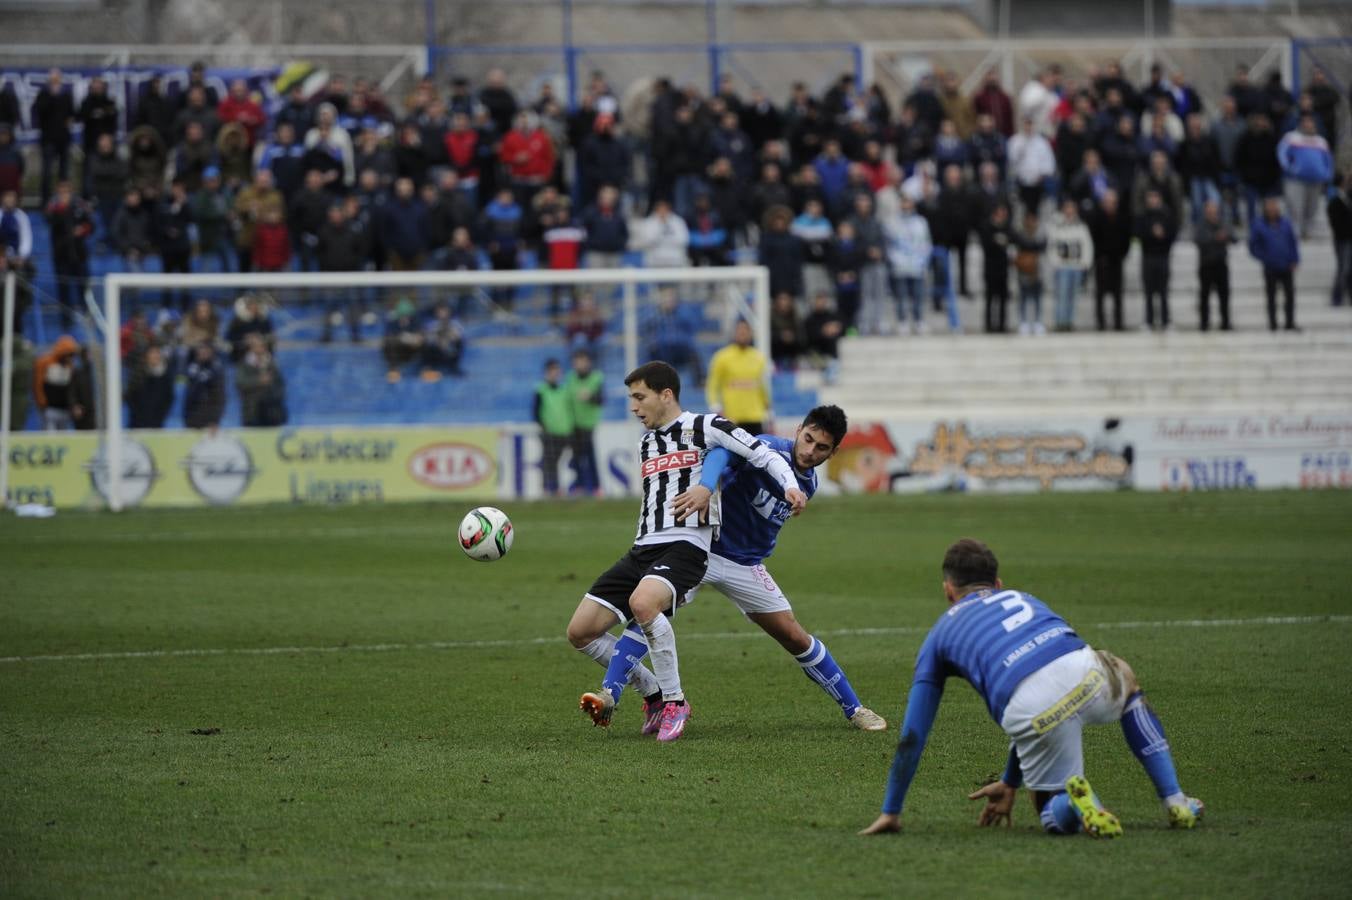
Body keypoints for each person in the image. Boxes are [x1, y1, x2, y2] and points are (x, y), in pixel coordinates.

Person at [859, 538, 1204, 839]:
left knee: (1048, 809)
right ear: (997, 583)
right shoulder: (1023, 598)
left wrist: (892, 810)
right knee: (1124, 678)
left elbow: (913, 736)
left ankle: (1073, 804)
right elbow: (1051, 669)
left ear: (948, 590)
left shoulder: (938, 636)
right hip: (1084, 671)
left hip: (1032, 709)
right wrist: (1009, 780)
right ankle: (1175, 801)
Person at [583, 405, 886, 733]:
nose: (810, 450)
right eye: (808, 439)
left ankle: (854, 708)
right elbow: (721, 453)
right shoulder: (768, 449)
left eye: (821, 447)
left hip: (746, 565)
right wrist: (707, 485)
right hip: (702, 550)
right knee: (649, 607)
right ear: (798, 429)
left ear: (834, 451)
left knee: (794, 635)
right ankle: (613, 692)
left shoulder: (808, 482)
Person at [567, 361, 807, 742]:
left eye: (639, 397)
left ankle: (676, 703)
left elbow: (763, 453)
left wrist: (791, 486)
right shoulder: (646, 442)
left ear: (666, 395)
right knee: (580, 632)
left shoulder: (707, 426)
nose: (634, 406)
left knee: (645, 604)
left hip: (687, 547)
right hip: (643, 547)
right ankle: (654, 693)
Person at [706, 319, 771, 434]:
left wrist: (768, 411)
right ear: (734, 333)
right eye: (740, 330)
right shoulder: (722, 357)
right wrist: (716, 407)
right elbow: (712, 385)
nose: (743, 333)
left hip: (755, 418)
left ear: (751, 333)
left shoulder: (758, 357)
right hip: (733, 418)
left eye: (746, 330)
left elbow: (762, 387)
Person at [1277, 114, 1333, 240]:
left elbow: (1328, 159)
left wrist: (1327, 173)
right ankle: (1295, 232)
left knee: (1312, 207)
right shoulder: (1291, 137)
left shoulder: (1321, 141)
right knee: (1295, 206)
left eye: (1311, 122)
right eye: (1306, 122)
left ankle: (1307, 230)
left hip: (1316, 179)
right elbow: (1281, 154)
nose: (1308, 125)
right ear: (1301, 123)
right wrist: (1290, 168)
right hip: (1295, 180)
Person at [1248, 196, 1300, 332]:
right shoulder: (1259, 225)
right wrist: (1265, 257)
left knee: (1290, 296)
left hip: (1286, 265)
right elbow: (1253, 246)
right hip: (1270, 267)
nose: (1272, 210)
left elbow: (1292, 242)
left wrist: (1295, 259)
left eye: (1274, 207)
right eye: (1270, 207)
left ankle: (1289, 322)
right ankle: (1273, 324)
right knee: (1271, 296)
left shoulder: (1286, 223)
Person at [884, 193, 932, 335]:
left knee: (918, 295)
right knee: (901, 295)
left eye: (909, 203)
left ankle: (918, 321)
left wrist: (923, 259)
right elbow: (889, 244)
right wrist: (895, 259)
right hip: (899, 263)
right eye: (904, 203)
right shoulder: (892, 222)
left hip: (917, 264)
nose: (906, 206)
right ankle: (902, 321)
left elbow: (926, 242)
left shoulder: (921, 222)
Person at [1087, 189, 1130, 332]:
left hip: (1117, 260)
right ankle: (1101, 324)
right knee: (1099, 295)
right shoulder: (1097, 218)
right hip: (1102, 261)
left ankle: (1118, 323)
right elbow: (1093, 239)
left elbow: (1126, 239)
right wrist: (1099, 256)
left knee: (1118, 294)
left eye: (1112, 202)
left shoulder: (1122, 218)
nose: (1110, 204)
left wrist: (1122, 255)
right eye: (1107, 201)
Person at [1135, 189, 1177, 331]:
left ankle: (1166, 321)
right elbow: (1138, 234)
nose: (1153, 200)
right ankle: (1149, 321)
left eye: (1155, 197)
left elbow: (1172, 234)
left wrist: (1162, 235)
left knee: (1164, 291)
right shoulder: (1143, 216)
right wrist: (1152, 234)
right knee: (1148, 292)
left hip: (1163, 256)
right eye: (1150, 198)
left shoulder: (1167, 215)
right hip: (1148, 257)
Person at [1047, 199, 1093, 332]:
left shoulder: (1081, 226)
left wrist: (1085, 263)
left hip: (1076, 266)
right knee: (1061, 295)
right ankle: (1060, 321)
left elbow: (1087, 245)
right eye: (1067, 208)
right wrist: (1055, 263)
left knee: (1073, 296)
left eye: (1072, 208)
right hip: (1062, 266)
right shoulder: (1057, 225)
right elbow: (1052, 246)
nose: (1069, 211)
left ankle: (1069, 321)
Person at [565, 349, 604, 496]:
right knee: (576, 457)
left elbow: (601, 399)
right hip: (573, 424)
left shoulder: (596, 378)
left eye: (582, 361)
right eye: (577, 361)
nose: (579, 364)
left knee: (589, 456)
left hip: (588, 424)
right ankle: (579, 486)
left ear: (588, 362)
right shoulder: (570, 378)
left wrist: (590, 396)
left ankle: (595, 487)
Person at [534, 359, 573, 497]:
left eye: (557, 370)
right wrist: (544, 427)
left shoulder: (564, 390)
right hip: (549, 432)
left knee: (555, 462)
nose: (555, 373)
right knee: (549, 462)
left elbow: (569, 410)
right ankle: (548, 489)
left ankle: (556, 489)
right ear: (546, 373)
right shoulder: (541, 390)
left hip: (564, 431)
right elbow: (536, 412)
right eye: (552, 370)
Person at [1195, 200, 1234, 332]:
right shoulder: (1201, 224)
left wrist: (1225, 235)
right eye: (1210, 210)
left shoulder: (1222, 223)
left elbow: (1233, 237)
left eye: (1214, 209)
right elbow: (1199, 240)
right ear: (1206, 211)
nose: (1212, 212)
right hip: (1206, 264)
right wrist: (1215, 237)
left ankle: (1225, 322)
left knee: (1224, 295)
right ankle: (1204, 323)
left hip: (1221, 264)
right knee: (1204, 296)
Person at [33, 335, 82, 431]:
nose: (69, 358)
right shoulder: (45, 363)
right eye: (68, 355)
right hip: (50, 408)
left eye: (71, 355)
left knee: (63, 437)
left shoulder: (70, 367)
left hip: (64, 409)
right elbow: (38, 385)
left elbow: (71, 388)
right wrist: (42, 403)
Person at [979, 203, 1012, 334]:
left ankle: (1002, 325)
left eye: (1004, 214)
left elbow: (1013, 240)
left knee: (1003, 298)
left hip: (1003, 268)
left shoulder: (1007, 227)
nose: (1002, 217)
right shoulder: (987, 227)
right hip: (990, 268)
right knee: (990, 298)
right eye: (999, 214)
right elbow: (988, 244)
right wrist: (998, 242)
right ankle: (988, 324)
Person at [1012, 210, 1046, 336]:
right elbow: (1024, 245)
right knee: (1023, 297)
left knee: (1037, 298)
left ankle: (1037, 322)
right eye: (1029, 220)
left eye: (1033, 220)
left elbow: (1042, 245)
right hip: (1024, 270)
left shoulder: (1040, 233)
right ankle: (1023, 322)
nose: (1031, 223)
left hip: (1038, 271)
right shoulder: (1021, 233)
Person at [183, 342, 226, 430]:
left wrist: (215, 419)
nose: (203, 352)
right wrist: (186, 416)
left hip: (209, 416)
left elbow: (219, 396)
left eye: (206, 350)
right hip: (192, 415)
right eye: (201, 350)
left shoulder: (216, 370)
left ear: (211, 352)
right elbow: (189, 394)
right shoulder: (192, 368)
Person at [1329, 171, 1352, 307]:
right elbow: (1335, 222)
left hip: (1347, 238)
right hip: (1343, 239)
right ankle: (1337, 295)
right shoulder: (1336, 200)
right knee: (1344, 268)